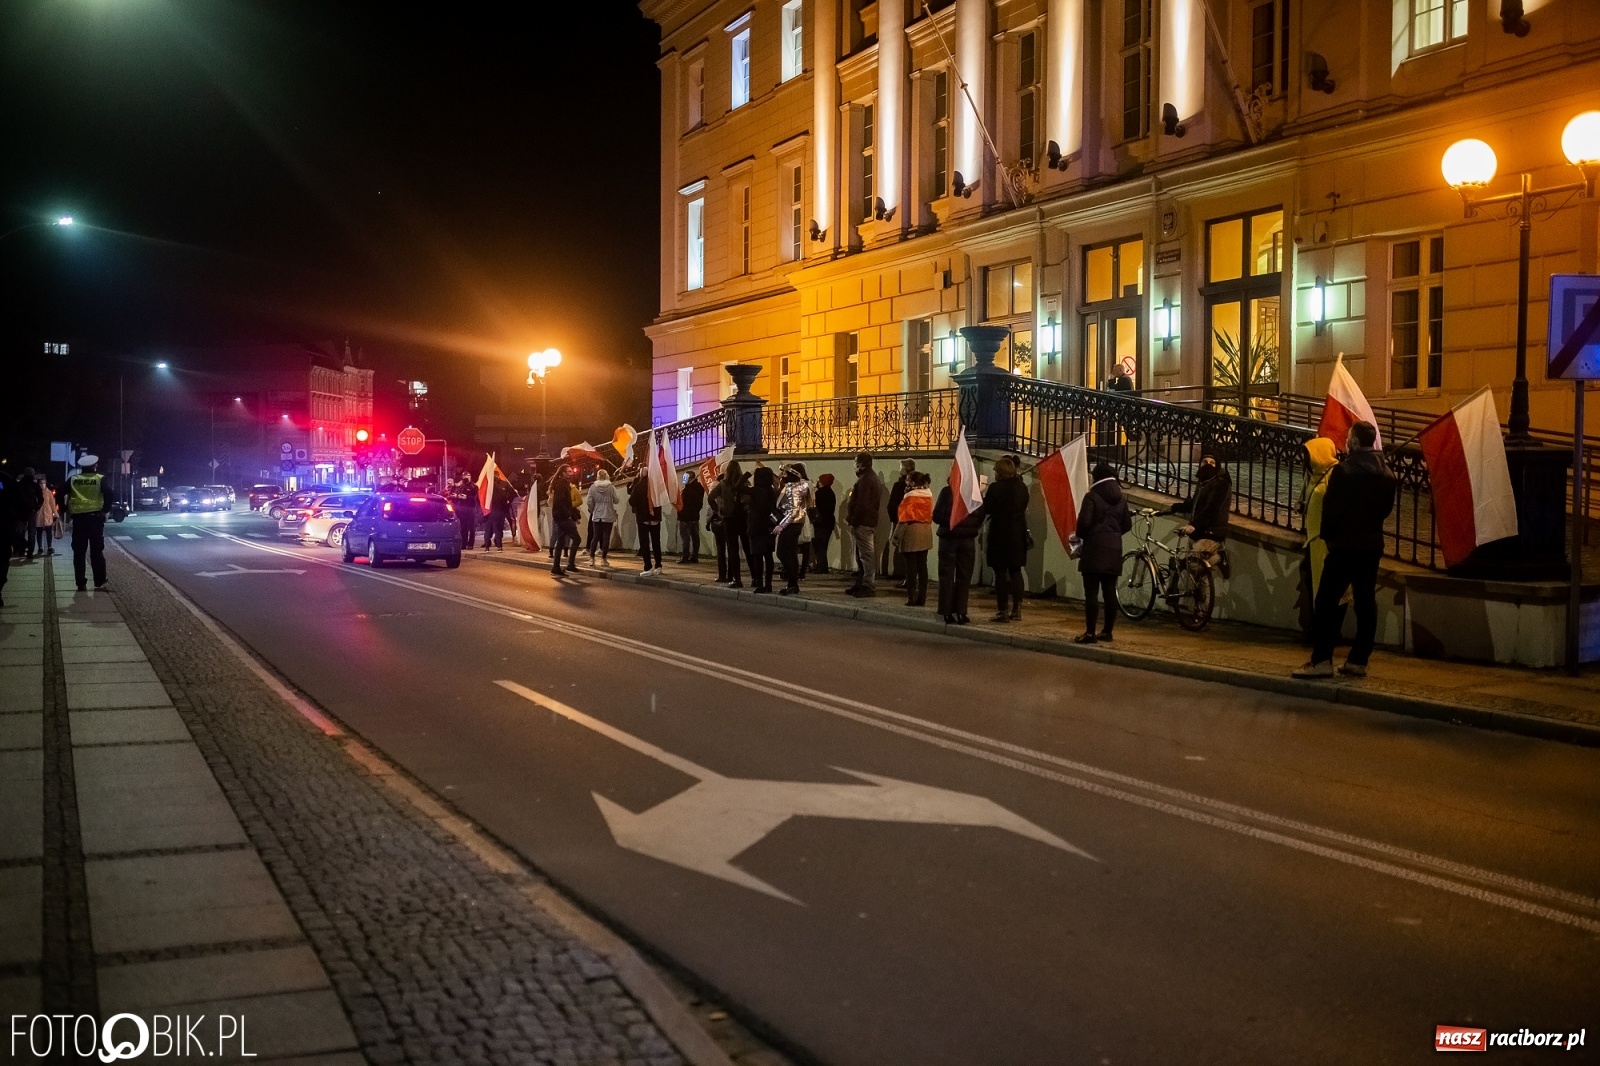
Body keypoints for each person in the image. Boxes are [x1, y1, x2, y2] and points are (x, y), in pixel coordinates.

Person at [1295, 421, 1396, 680]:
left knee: (1327, 601)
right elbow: (1386, 510)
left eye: (1349, 437)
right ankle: (1358, 660)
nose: (1347, 441)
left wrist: (1329, 538)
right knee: (1365, 602)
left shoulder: (1344, 471)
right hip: (1371, 545)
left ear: (1354, 441)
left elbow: (1331, 511)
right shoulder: (1387, 473)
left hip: (1344, 546)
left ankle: (1321, 660)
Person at [1073, 463, 1133, 644]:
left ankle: (1090, 633)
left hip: (1094, 548)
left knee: (1091, 592)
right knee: (1109, 592)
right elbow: (1127, 524)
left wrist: (1086, 537)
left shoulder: (1092, 496)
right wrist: (1113, 535)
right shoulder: (1121, 499)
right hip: (1114, 548)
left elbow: (1083, 524)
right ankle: (1107, 631)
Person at [1296, 438, 1340, 636]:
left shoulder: (1335, 477)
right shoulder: (1315, 476)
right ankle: (1316, 626)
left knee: (1327, 590)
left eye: (1310, 455)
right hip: (1313, 542)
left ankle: (1327, 630)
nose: (1306, 459)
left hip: (1326, 544)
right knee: (1313, 584)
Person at [983, 456, 1030, 621]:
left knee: (1001, 573)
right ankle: (1017, 608)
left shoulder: (996, 488)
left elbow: (987, 508)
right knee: (1016, 571)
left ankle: (1002, 610)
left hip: (1000, 534)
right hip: (1018, 534)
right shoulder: (1022, 487)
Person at [934, 479, 983, 624]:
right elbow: (980, 515)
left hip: (948, 539)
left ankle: (946, 612)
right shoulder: (974, 494)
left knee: (946, 576)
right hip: (967, 540)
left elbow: (936, 516)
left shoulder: (947, 491)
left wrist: (950, 521)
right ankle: (961, 611)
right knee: (964, 577)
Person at [1172, 455, 1232, 561]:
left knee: (1193, 565)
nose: (1208, 465)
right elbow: (1197, 503)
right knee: (1191, 572)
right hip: (1198, 532)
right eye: (1205, 462)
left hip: (1211, 532)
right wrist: (1174, 508)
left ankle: (1220, 558)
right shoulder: (1204, 481)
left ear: (1217, 465)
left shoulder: (1221, 483)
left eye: (1212, 462)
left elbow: (1212, 508)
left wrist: (1193, 525)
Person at [845, 452, 886, 597]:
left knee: (866, 555)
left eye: (855, 461)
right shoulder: (868, 478)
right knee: (861, 554)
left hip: (864, 522)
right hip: (865, 521)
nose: (854, 464)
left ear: (861, 464)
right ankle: (861, 583)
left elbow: (862, 504)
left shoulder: (866, 479)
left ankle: (868, 585)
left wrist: (853, 520)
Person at [66, 455, 109, 591]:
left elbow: (60, 492)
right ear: (94, 467)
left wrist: (64, 510)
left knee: (79, 553)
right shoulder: (100, 479)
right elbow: (110, 493)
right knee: (96, 551)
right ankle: (99, 580)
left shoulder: (73, 480)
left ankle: (80, 583)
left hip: (79, 521)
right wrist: (105, 510)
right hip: (95, 520)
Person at [896, 471, 934, 607]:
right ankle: (922, 597)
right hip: (925, 532)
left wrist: (896, 537)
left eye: (907, 480)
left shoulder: (910, 496)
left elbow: (903, 518)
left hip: (911, 532)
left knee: (911, 568)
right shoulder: (928, 494)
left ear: (912, 483)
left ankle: (911, 597)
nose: (906, 482)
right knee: (922, 566)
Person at [774, 463, 812, 596]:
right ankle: (792, 584)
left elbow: (793, 511)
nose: (785, 475)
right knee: (791, 553)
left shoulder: (795, 488)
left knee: (783, 553)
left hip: (791, 524)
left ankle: (792, 582)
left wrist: (781, 525)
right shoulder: (797, 486)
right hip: (795, 524)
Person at [746, 465, 779, 594]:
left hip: (756, 527)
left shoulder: (755, 491)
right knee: (768, 556)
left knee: (757, 557)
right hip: (769, 526)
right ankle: (768, 584)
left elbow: (737, 486)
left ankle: (759, 583)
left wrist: (749, 472)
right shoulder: (772, 492)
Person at [721, 462, 750, 588]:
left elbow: (711, 497)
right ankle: (755, 577)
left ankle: (736, 578)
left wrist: (719, 510)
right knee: (748, 547)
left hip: (729, 518)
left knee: (733, 549)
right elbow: (749, 498)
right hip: (743, 517)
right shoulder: (745, 482)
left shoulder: (723, 484)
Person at [886, 459, 915, 586]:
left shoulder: (900, 485)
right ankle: (911, 577)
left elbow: (892, 505)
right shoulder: (920, 485)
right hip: (915, 521)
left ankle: (905, 577)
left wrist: (893, 517)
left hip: (901, 520)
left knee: (902, 549)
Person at [628, 472, 664, 575]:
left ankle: (648, 567)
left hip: (643, 517)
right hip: (656, 517)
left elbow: (632, 501)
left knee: (644, 543)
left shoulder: (639, 485)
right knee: (656, 542)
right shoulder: (657, 485)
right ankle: (658, 565)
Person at [585, 468, 619, 566]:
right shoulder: (611, 487)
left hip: (597, 513)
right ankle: (603, 559)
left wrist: (593, 509)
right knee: (606, 537)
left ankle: (591, 558)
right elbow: (616, 500)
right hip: (608, 513)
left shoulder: (592, 487)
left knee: (595, 536)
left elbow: (589, 501)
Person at [549, 470, 581, 575]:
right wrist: (568, 513)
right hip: (563, 517)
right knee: (576, 539)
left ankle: (556, 567)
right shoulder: (563, 484)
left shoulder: (561, 483)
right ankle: (570, 565)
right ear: (562, 473)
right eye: (568, 471)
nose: (570, 473)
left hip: (560, 517)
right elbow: (560, 501)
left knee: (561, 541)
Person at [811, 473, 836, 573]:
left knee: (819, 546)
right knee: (823, 546)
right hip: (829, 522)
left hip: (821, 523)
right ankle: (822, 565)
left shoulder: (819, 493)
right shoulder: (831, 493)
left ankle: (821, 566)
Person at [677, 472, 705, 564]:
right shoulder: (698, 488)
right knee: (695, 537)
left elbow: (687, 502)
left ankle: (686, 557)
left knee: (686, 538)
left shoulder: (690, 489)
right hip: (695, 516)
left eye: (686, 477)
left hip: (686, 517)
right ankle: (694, 556)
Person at [705, 471, 728, 581]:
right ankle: (733, 576)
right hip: (730, 520)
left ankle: (722, 575)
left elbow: (710, 504)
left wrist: (708, 520)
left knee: (720, 549)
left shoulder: (715, 486)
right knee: (732, 549)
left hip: (717, 520)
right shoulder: (733, 484)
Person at [482, 474, 513, 551]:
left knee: (488, 530)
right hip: (499, 513)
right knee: (498, 530)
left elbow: (479, 500)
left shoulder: (487, 493)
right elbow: (505, 503)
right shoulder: (501, 492)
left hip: (488, 513)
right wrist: (505, 511)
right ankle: (499, 546)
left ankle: (487, 547)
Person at [451, 474, 479, 550]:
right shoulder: (461, 486)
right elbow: (457, 494)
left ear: (470, 477)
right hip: (461, 508)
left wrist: (467, 497)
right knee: (463, 527)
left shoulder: (474, 486)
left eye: (467, 477)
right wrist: (456, 496)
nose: (465, 478)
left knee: (471, 527)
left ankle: (470, 544)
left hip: (470, 508)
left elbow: (476, 498)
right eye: (464, 477)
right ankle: (464, 544)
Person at [33, 475, 58, 557]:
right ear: (38, 484)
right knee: (39, 532)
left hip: (47, 515)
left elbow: (52, 503)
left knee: (48, 532)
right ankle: (40, 547)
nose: (42, 484)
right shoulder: (35, 492)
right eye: (41, 483)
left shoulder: (48, 492)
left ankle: (49, 547)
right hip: (39, 515)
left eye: (44, 483)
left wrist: (55, 512)